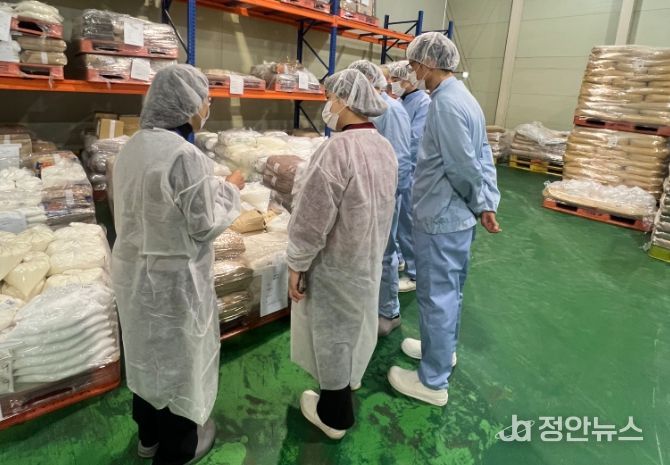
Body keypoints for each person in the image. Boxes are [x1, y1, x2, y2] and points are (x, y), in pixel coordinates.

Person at [111, 64, 245, 465]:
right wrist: (231, 191)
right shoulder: (185, 155)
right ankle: (178, 448)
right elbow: (204, 224)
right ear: (187, 104)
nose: (207, 107)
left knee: (144, 357)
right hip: (174, 284)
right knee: (180, 361)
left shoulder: (131, 147)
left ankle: (148, 437)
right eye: (206, 100)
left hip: (134, 276)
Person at [388, 33, 501, 406]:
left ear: (429, 64)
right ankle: (440, 350)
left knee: (437, 296)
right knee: (448, 292)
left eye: (414, 64)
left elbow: (462, 166)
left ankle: (432, 382)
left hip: (442, 217)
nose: (412, 71)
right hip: (454, 217)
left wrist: (480, 202)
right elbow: (483, 155)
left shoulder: (446, 106)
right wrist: (486, 202)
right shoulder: (462, 98)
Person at [288, 68, 397, 440]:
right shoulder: (383, 147)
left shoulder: (337, 149)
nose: (328, 106)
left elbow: (312, 216)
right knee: (354, 328)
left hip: (335, 263)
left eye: (331, 98)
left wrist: (297, 263)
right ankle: (347, 383)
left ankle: (334, 416)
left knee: (333, 334)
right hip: (366, 258)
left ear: (346, 100)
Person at [348, 59, 412, 337]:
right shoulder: (366, 109)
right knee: (368, 253)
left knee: (385, 252)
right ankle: (369, 304)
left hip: (385, 195)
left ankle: (389, 312)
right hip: (367, 194)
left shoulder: (391, 111)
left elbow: (400, 160)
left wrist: (386, 197)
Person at [387, 60, 432, 293]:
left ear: (410, 79)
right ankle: (401, 258)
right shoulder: (401, 101)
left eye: (397, 79)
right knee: (396, 223)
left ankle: (415, 274)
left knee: (407, 223)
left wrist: (399, 165)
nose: (393, 83)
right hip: (399, 168)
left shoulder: (423, 103)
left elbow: (414, 141)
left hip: (411, 171)